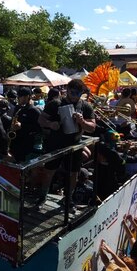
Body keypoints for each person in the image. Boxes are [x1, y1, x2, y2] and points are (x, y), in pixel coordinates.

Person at [36, 78, 96, 206]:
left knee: (73, 174)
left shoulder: (85, 106)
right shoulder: (55, 104)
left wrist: (82, 122)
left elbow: (92, 127)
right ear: (67, 90)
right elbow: (41, 119)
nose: (75, 96)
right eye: (73, 93)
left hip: (75, 144)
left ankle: (68, 199)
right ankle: (42, 197)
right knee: (49, 172)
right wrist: (51, 124)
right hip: (55, 144)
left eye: (79, 94)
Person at [8, 86, 43, 162]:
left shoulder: (34, 110)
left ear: (28, 97)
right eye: (19, 96)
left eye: (22, 96)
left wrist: (22, 126)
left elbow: (39, 128)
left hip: (27, 143)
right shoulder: (18, 108)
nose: (20, 98)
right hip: (16, 141)